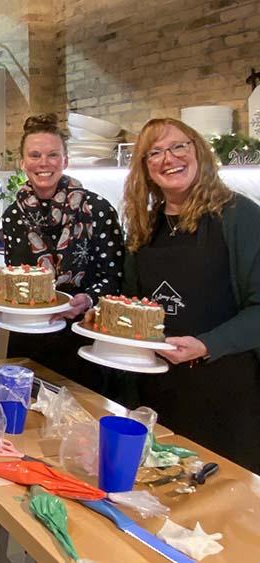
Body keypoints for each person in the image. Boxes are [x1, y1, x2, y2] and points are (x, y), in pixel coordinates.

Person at [114, 118, 260, 472]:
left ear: (199, 152)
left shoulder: (239, 216)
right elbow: (134, 305)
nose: (169, 158)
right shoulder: (146, 226)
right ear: (146, 169)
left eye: (179, 146)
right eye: (156, 152)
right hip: (158, 394)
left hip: (228, 396)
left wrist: (206, 344)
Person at [0, 114, 124, 390]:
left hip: (83, 337)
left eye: (52, 154)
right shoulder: (13, 216)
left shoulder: (98, 211)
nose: (43, 163)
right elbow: (18, 276)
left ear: (65, 160)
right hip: (28, 337)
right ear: (23, 163)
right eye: (34, 155)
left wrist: (88, 298)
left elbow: (114, 277)